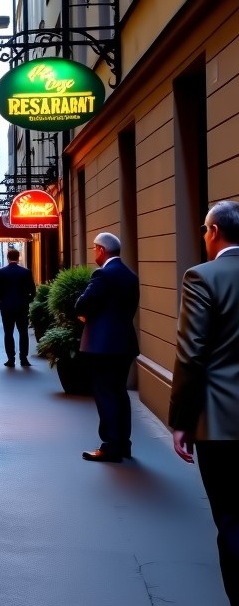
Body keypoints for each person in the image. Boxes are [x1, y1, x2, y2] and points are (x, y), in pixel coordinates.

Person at [169, 200, 239, 604]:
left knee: (231, 518)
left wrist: (181, 420)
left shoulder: (202, 277)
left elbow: (191, 354)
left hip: (221, 424)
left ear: (213, 232)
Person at [75, 231, 140, 463]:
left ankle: (110, 445)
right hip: (125, 343)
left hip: (103, 346)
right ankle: (123, 444)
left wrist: (86, 315)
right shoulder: (130, 275)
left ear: (101, 250)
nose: (94, 253)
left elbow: (82, 302)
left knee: (105, 394)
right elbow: (126, 308)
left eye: (94, 249)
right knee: (120, 393)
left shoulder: (102, 274)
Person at [0, 247, 36, 367]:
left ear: (8, 258)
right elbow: (32, 290)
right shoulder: (26, 272)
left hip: (6, 307)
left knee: (8, 333)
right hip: (22, 306)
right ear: (18, 257)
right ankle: (23, 358)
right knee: (23, 332)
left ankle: (10, 358)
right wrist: (27, 300)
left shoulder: (1, 272)